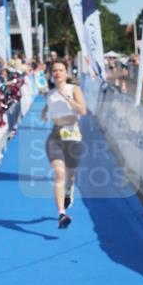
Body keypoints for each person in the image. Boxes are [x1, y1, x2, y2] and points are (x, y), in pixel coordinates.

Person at [41, 60, 87, 229]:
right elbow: (49, 106)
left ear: (66, 73)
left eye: (61, 70)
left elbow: (82, 111)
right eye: (55, 70)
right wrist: (44, 112)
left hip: (73, 136)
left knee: (71, 176)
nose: (58, 73)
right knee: (59, 175)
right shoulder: (50, 94)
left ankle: (69, 190)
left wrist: (68, 98)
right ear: (51, 74)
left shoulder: (74, 90)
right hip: (55, 137)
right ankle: (61, 213)